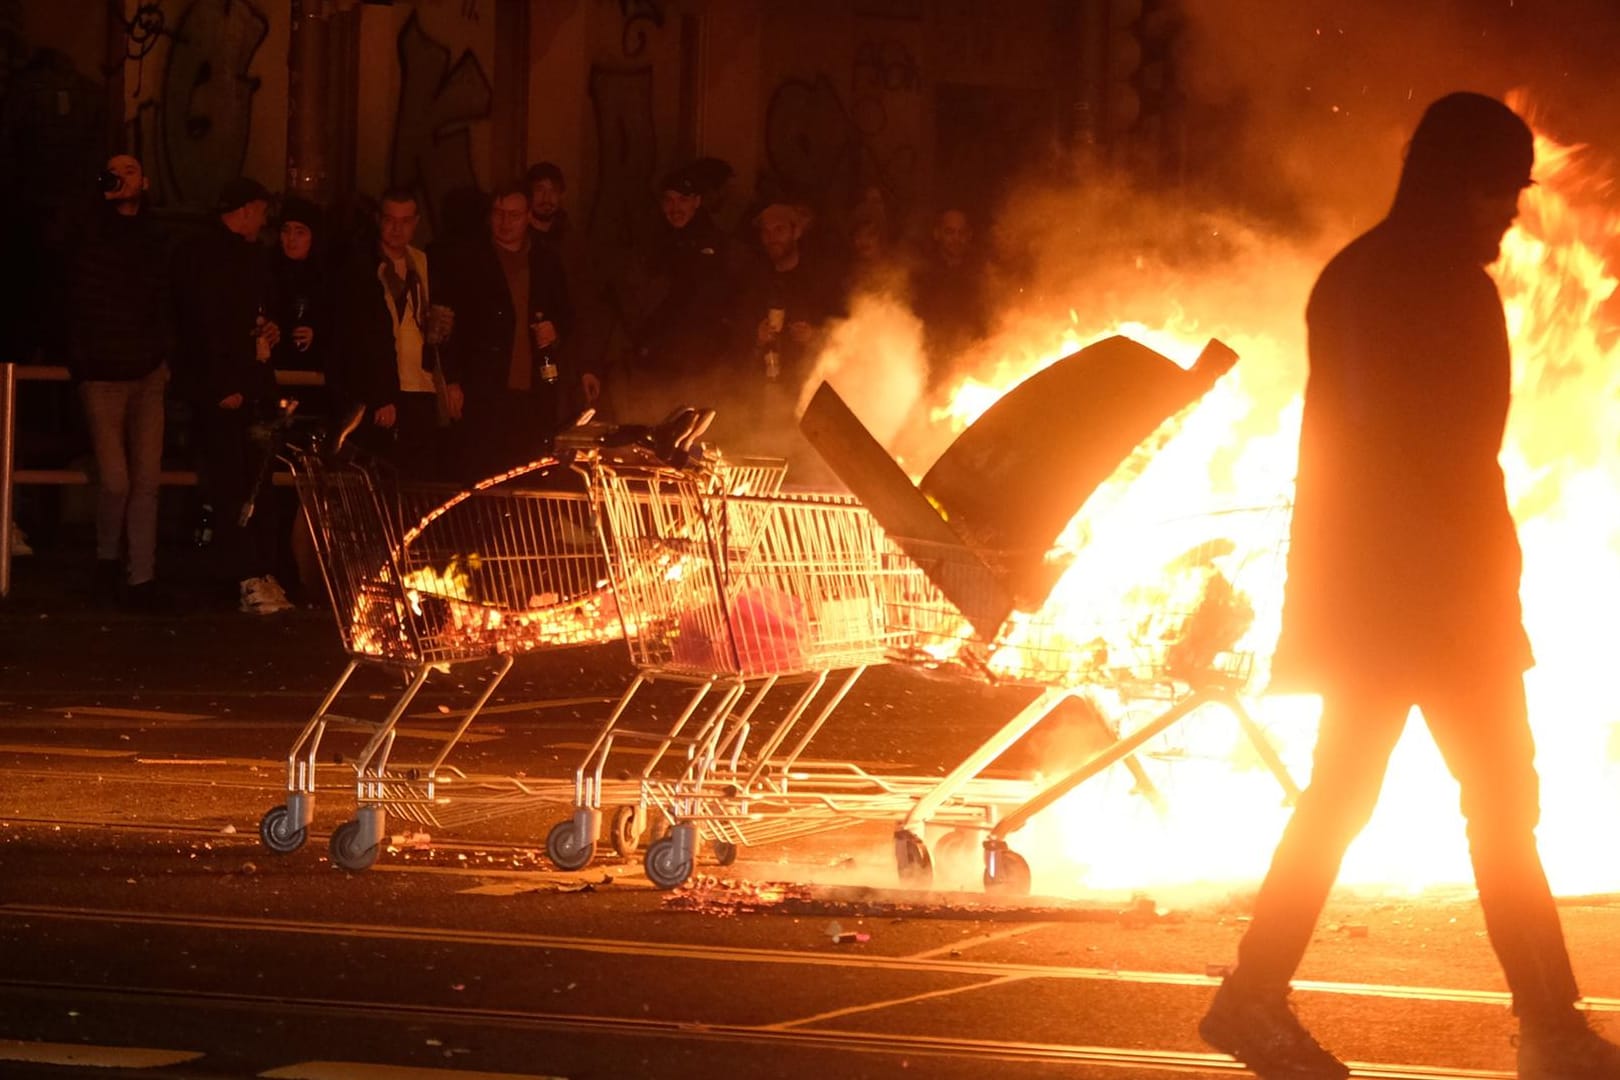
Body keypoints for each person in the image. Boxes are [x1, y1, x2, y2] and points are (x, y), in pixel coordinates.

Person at [1198, 92, 1620, 1080]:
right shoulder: (1446, 289)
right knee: (1499, 803)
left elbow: (1354, 450)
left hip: (1367, 594)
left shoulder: (1352, 277)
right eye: (1499, 189)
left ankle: (1254, 998)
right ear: (1456, 181)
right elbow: (1462, 460)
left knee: (1345, 796)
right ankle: (1552, 1030)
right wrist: (1488, 601)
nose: (1511, 211)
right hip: (1441, 600)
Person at [172, 176, 293, 615]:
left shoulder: (238, 257)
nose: (264, 221)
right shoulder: (206, 258)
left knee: (253, 483)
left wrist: (268, 331)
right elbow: (203, 327)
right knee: (233, 484)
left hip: (248, 383)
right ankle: (246, 572)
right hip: (228, 388)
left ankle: (259, 568)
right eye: (260, 211)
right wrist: (223, 383)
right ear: (245, 210)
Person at [66, 153, 174, 608]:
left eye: (130, 171)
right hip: (103, 373)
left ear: (145, 181)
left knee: (146, 478)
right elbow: (67, 278)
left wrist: (163, 352)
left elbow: (167, 294)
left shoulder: (156, 237)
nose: (121, 178)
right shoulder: (88, 232)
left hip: (147, 371)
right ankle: (108, 560)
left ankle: (141, 578)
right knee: (115, 480)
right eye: (113, 171)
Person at [437, 180, 577, 476]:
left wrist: (556, 329)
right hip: (483, 390)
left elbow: (566, 312)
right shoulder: (467, 260)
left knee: (526, 473)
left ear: (528, 216)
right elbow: (448, 327)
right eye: (499, 213)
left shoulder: (546, 260)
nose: (504, 222)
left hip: (532, 391)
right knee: (482, 471)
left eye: (513, 215)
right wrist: (452, 380)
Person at [329, 187, 460, 478]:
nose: (397, 229)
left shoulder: (424, 263)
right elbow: (362, 337)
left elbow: (441, 324)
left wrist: (449, 378)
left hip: (421, 386)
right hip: (386, 390)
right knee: (383, 478)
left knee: (420, 477)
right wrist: (379, 394)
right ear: (379, 220)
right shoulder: (361, 267)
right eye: (390, 220)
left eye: (404, 221)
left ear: (415, 223)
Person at [623, 166, 735, 417]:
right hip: (654, 362)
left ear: (697, 201)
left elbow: (724, 302)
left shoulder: (718, 244)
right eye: (669, 200)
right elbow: (634, 299)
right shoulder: (649, 243)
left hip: (700, 365)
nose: (675, 208)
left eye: (683, 199)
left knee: (692, 437)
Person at [909, 206, 989, 385]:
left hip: (974, 364)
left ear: (969, 236)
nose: (956, 239)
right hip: (932, 365)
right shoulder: (923, 276)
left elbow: (988, 319)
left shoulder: (981, 275)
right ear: (937, 234)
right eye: (950, 232)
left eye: (961, 233)